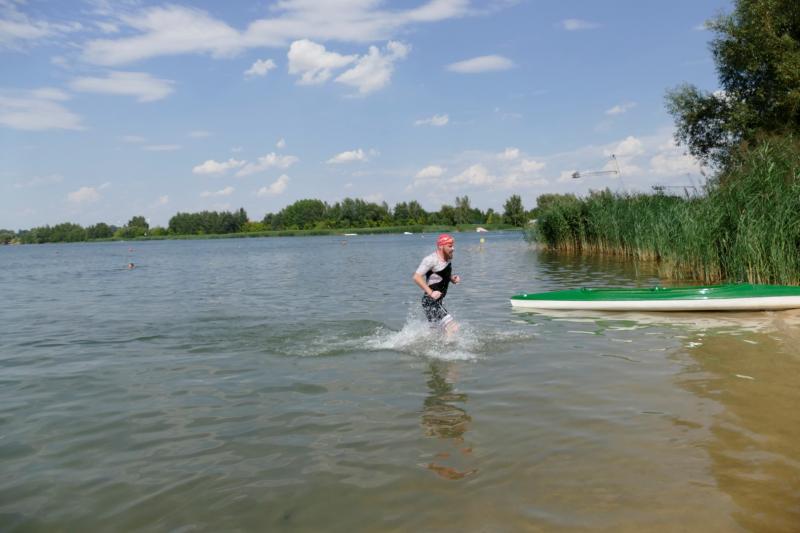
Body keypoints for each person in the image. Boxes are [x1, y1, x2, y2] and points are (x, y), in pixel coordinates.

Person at [413, 233, 461, 332]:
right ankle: (449, 343)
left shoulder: (447, 258)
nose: (453, 248)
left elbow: (441, 274)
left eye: (453, 246)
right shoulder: (430, 260)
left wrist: (452, 278)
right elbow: (416, 277)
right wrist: (431, 293)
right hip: (430, 301)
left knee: (437, 332)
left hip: (437, 302)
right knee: (453, 327)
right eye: (450, 246)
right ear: (441, 246)